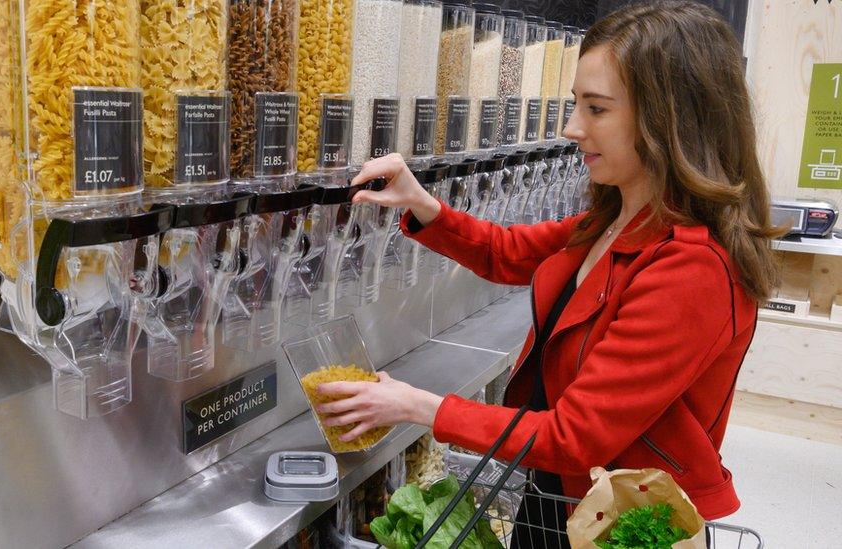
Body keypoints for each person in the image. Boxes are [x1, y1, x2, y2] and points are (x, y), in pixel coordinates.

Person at [314, 1, 783, 546]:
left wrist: (416, 405)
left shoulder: (692, 268)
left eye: (597, 109)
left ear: (668, 118)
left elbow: (574, 435)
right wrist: (422, 204)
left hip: (624, 526)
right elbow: (507, 251)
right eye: (574, 104)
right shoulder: (618, 218)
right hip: (561, 498)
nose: (571, 128)